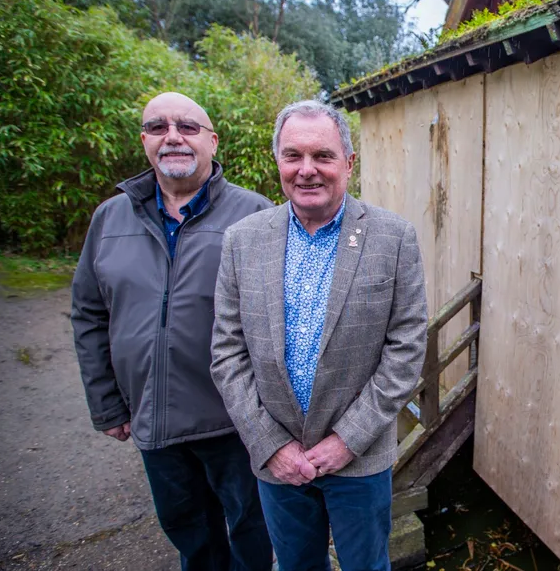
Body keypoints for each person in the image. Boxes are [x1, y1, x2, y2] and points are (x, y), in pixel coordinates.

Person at [210, 99, 427, 571]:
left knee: (367, 565)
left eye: (322, 156)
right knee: (296, 566)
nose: (307, 170)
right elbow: (227, 353)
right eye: (293, 156)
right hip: (277, 459)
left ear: (348, 163)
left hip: (360, 457)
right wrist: (271, 445)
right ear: (278, 162)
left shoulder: (394, 238)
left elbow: (407, 348)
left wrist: (347, 440)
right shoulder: (242, 240)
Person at [71, 92, 274, 571]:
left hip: (233, 419)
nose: (173, 136)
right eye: (158, 127)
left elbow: (278, 321)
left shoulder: (254, 214)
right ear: (144, 140)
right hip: (152, 417)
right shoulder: (110, 218)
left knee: (251, 529)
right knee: (188, 532)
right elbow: (88, 313)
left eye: (187, 126)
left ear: (212, 141)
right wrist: (107, 404)